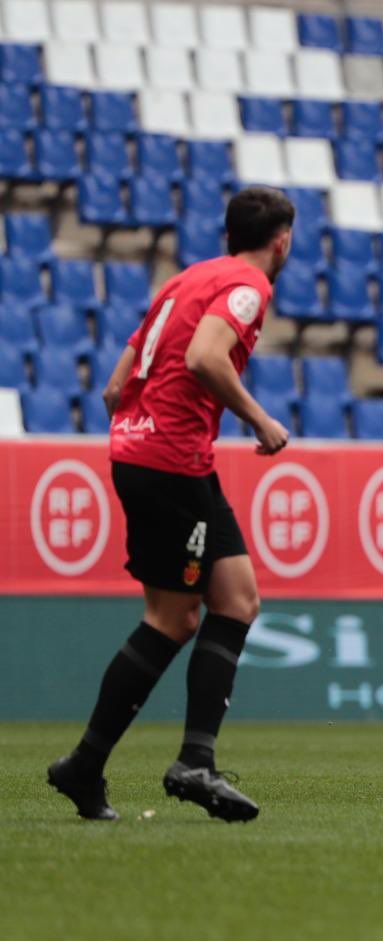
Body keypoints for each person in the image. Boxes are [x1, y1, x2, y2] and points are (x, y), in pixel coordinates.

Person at [46, 186, 296, 822]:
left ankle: (192, 760)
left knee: (237, 600)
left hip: (163, 456)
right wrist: (261, 420)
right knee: (172, 617)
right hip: (170, 463)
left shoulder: (190, 276)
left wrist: (142, 425)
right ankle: (92, 765)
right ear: (282, 240)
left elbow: (115, 383)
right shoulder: (248, 287)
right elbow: (204, 357)